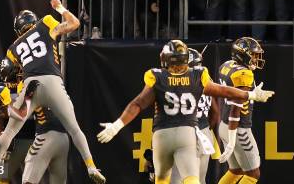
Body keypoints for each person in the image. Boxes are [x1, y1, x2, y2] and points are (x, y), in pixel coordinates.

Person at [96, 40, 274, 184]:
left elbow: (138, 103)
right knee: (193, 179)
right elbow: (223, 92)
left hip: (163, 135)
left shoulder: (157, 75)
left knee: (163, 179)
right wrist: (250, 94)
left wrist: (117, 125)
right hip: (189, 133)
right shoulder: (198, 75)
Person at [0, 0, 106, 183]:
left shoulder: (13, 48)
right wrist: (60, 8)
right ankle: (91, 166)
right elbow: (74, 23)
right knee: (74, 129)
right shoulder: (45, 23)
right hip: (53, 81)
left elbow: (13, 70)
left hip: (31, 85)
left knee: (9, 131)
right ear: (34, 21)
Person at [217, 38, 267, 184]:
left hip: (224, 125)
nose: (256, 58)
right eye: (253, 54)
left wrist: (252, 93)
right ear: (242, 54)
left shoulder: (226, 66)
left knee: (236, 171)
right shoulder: (244, 74)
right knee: (253, 174)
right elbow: (235, 109)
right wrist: (232, 141)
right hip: (238, 129)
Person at [169, 48, 220, 184]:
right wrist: (206, 131)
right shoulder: (206, 78)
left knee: (177, 180)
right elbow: (215, 112)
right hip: (203, 133)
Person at [0, 59, 34, 184]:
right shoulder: (26, 87)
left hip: (15, 139)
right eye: (19, 70)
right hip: (23, 138)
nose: (22, 73)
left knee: (2, 178)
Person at [22, 106, 69, 184]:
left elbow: (20, 114)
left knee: (28, 181)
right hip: (64, 138)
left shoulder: (35, 94)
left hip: (45, 136)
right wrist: (90, 164)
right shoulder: (64, 95)